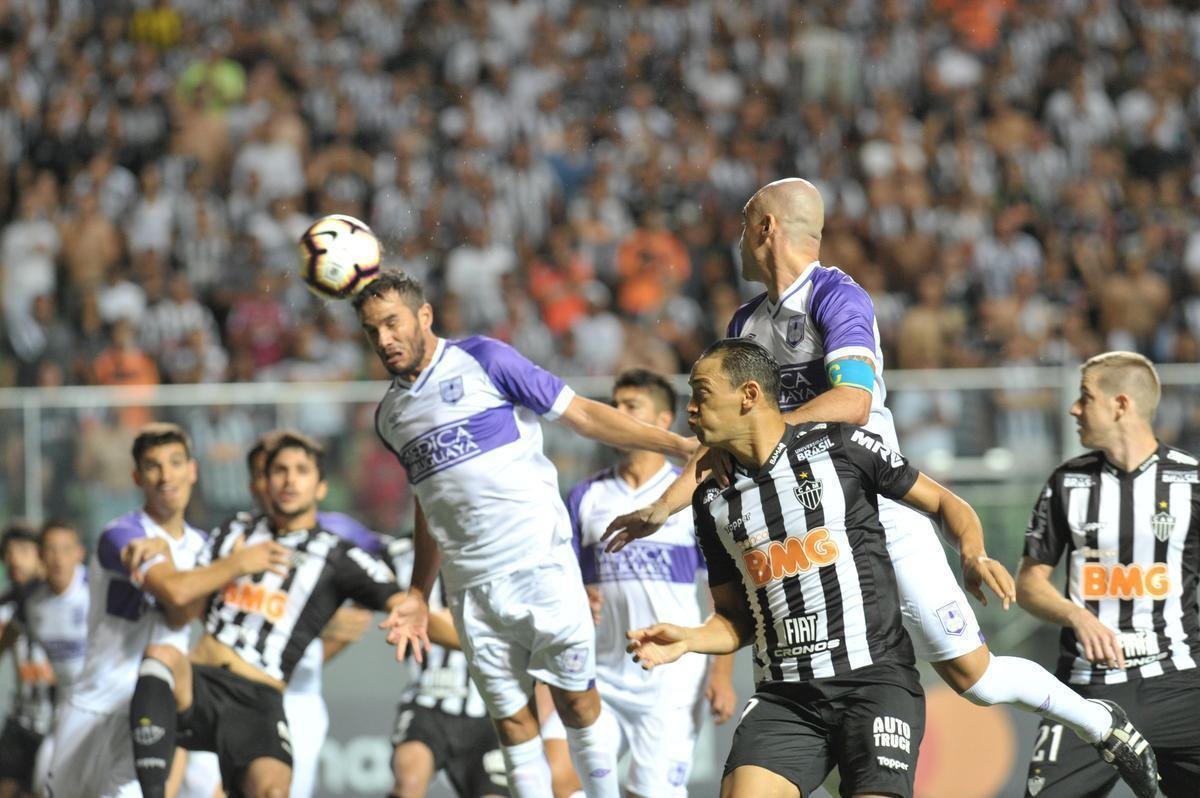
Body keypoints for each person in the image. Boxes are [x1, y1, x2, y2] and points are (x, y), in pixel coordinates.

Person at [604, 178, 1159, 793]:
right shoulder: (744, 321)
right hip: (793, 522)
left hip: (872, 506)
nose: (736, 241)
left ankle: (1098, 722)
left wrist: (772, 434)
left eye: (742, 227)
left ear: (766, 230)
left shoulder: (837, 296)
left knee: (975, 679)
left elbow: (854, 400)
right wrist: (661, 507)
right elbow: (724, 440)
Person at [354, 270, 697, 798]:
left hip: (540, 567)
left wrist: (677, 447)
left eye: (392, 323)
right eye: (372, 330)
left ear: (424, 316)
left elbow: (582, 413)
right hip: (470, 590)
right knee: (513, 728)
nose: (384, 340)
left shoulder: (486, 360)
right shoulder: (391, 416)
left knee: (576, 705)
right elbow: (430, 500)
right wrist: (420, 594)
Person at [629, 338, 982, 796]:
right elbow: (737, 620)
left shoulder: (843, 447)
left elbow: (945, 503)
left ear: (749, 395)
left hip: (873, 683)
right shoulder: (711, 500)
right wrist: (690, 639)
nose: (690, 410)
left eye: (701, 393)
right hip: (786, 699)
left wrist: (973, 554)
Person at [126, 432, 448, 798]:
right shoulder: (234, 531)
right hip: (202, 682)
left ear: (321, 487)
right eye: (279, 470)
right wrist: (167, 550)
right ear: (264, 481)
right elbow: (181, 604)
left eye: (301, 471)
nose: (289, 479)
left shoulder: (339, 554)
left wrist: (487, 638)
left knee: (274, 791)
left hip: (260, 698)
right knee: (161, 656)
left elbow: (412, 612)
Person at [45, 422, 291, 798]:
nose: (166, 476)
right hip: (93, 702)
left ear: (193, 470)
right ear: (136, 477)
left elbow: (179, 614)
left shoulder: (203, 548)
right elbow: (174, 592)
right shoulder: (122, 533)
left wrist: (194, 564)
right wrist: (236, 563)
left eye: (176, 462)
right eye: (153, 466)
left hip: (152, 704)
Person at [541, 368, 737, 797]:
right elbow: (564, 579)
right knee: (552, 780)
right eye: (614, 406)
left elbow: (722, 591)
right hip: (602, 674)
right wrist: (576, 594)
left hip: (670, 679)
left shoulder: (689, 493)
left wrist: (721, 675)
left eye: (631, 407)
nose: (619, 415)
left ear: (664, 420)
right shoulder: (585, 496)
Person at [1017, 352, 1195, 797]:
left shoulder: (1191, 482)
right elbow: (1029, 584)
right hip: (1088, 692)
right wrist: (1077, 616)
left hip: (1182, 685)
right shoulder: (1067, 482)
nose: (1074, 408)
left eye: (1085, 397)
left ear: (1120, 405)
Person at [179, 432, 378, 798]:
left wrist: (322, 626)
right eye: (264, 473)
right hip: (229, 688)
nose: (275, 482)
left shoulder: (332, 533)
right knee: (201, 787)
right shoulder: (235, 536)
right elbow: (196, 607)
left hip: (296, 697)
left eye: (295, 471)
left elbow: (384, 566)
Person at [387, 534, 509, 798]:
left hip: (489, 712)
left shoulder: (501, 548)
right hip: (426, 702)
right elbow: (355, 609)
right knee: (408, 784)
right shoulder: (397, 554)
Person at [21, 521, 88, 793]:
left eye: (65, 550)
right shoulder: (34, 604)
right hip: (65, 708)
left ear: (79, 553)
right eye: (50, 550)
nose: (58, 559)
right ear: (40, 556)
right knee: (44, 781)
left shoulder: (99, 590)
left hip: (109, 706)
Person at [0, 524, 52, 798]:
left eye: (22, 550)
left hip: (58, 720)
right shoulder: (8, 606)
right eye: (7, 553)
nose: (13, 559)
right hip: (23, 719)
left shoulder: (65, 597)